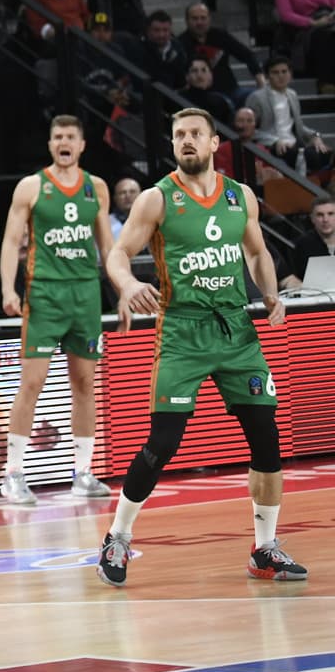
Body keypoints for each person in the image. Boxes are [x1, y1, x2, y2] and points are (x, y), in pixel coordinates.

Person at [98, 108, 305, 587]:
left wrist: (270, 291)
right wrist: (128, 285)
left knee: (266, 436)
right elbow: (117, 253)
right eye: (178, 135)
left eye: (195, 134)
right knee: (163, 443)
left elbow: (255, 251)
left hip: (235, 331)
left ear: (215, 143)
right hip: (183, 332)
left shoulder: (240, 197)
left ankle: (264, 549)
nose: (186, 141)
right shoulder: (157, 199)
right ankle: (118, 536)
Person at [0, 117, 116, 506]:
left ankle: (83, 472)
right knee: (31, 383)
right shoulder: (32, 187)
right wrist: (7, 288)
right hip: (45, 295)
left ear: (82, 145)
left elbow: (108, 248)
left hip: (85, 296)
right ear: (50, 144)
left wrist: (123, 292)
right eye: (58, 137)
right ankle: (12, 474)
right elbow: (11, 240)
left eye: (71, 137)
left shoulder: (95, 187)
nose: (64, 142)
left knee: (84, 384)